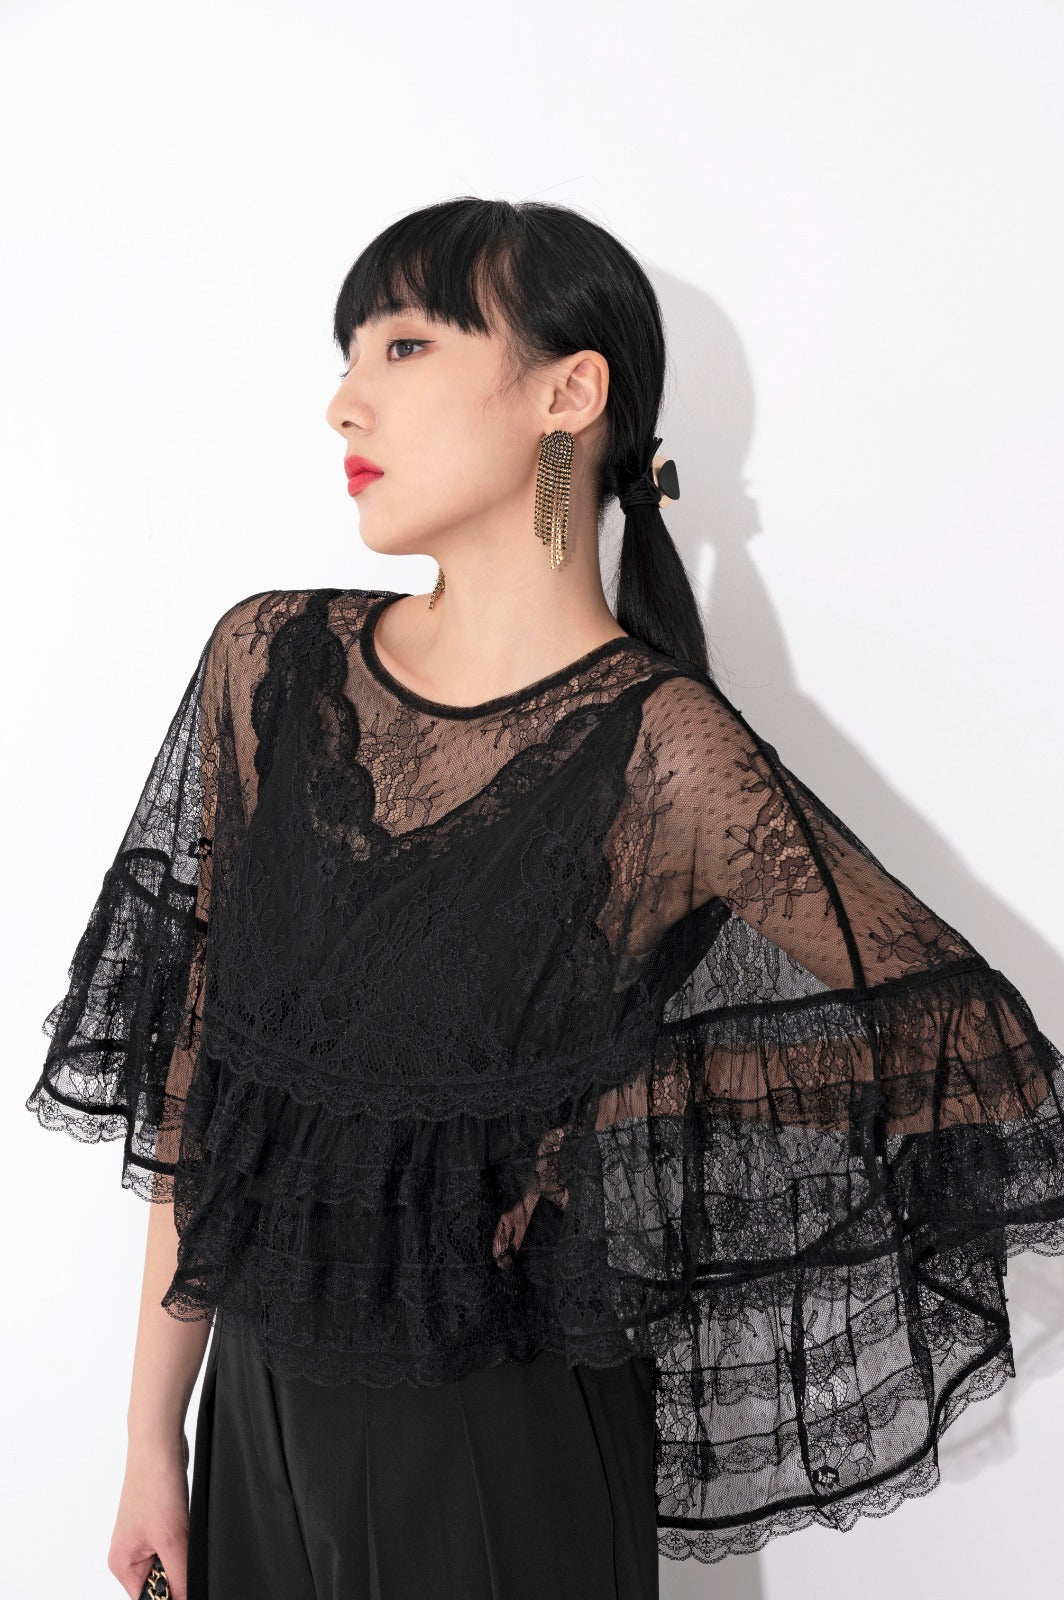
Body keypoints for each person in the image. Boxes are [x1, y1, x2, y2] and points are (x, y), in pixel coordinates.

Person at [26, 197, 1064, 1600]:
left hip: (499, 1441)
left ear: (568, 393)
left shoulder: (666, 752)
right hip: (258, 1424)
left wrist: (623, 1117)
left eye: (403, 346)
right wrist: (153, 1434)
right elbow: (207, 1084)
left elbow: (971, 1054)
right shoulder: (271, 665)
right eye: (347, 356)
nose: (344, 402)